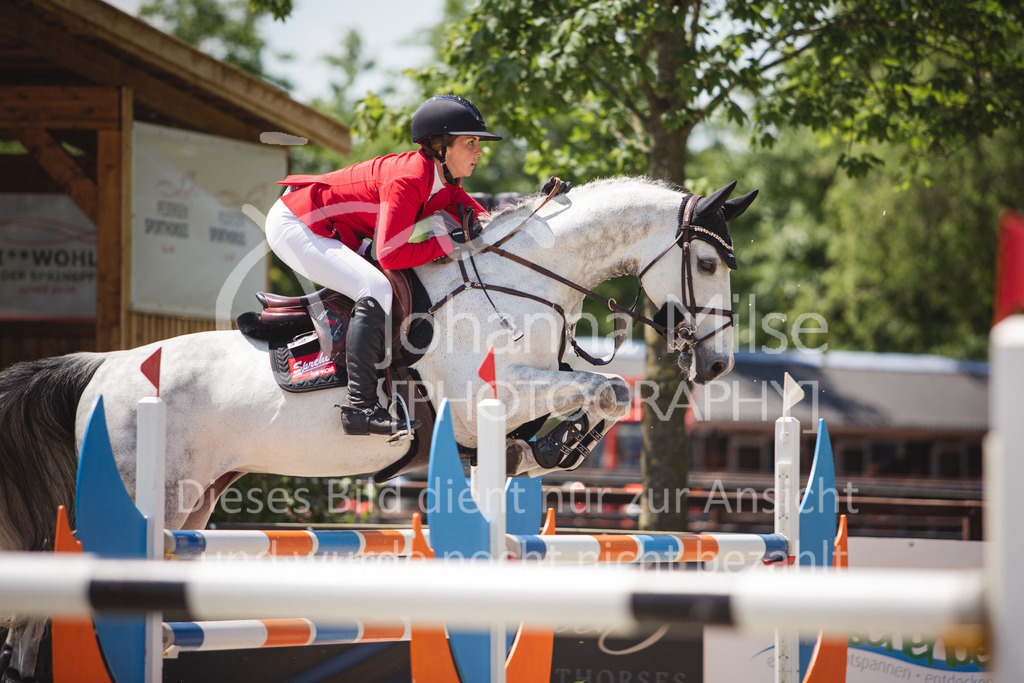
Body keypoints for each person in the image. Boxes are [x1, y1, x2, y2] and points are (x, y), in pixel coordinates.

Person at [265, 95, 501, 435]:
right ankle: (360, 406)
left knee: (397, 281)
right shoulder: (409, 179)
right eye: (471, 142)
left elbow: (487, 219)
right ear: (441, 146)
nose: (479, 151)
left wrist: (536, 209)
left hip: (340, 230)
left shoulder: (445, 182)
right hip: (299, 222)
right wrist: (445, 244)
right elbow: (390, 254)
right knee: (373, 287)